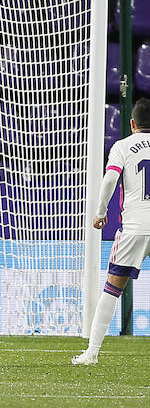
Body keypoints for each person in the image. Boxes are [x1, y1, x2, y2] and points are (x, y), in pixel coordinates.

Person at [75, 98, 150, 365]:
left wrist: (100, 211)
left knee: (112, 289)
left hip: (134, 227)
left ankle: (92, 353)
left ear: (132, 123)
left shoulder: (122, 146)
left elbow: (110, 178)